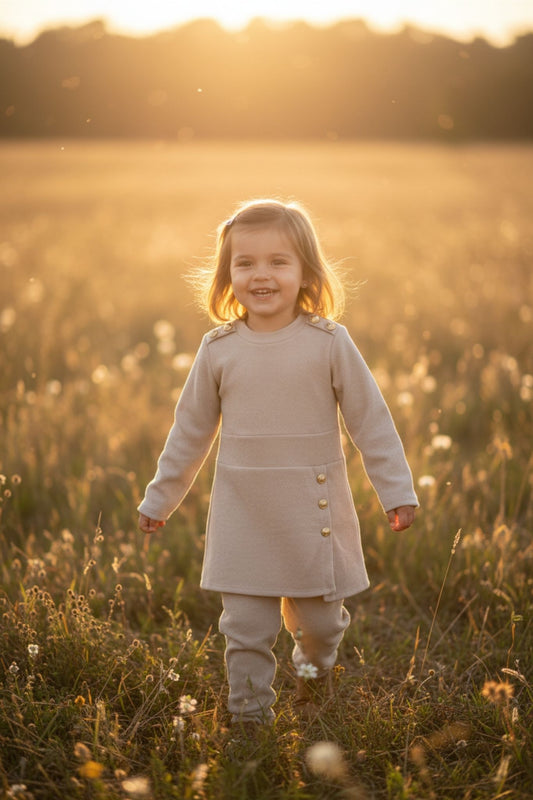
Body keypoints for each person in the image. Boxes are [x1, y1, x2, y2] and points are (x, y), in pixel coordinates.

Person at [138, 198, 418, 728]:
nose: (260, 275)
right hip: (244, 514)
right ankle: (250, 723)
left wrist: (397, 491)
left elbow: (371, 423)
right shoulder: (218, 349)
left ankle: (313, 683)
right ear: (227, 276)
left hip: (312, 513)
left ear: (306, 272)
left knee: (319, 628)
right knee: (243, 627)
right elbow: (190, 432)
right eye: (245, 263)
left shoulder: (329, 342)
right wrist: (160, 497)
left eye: (278, 262)